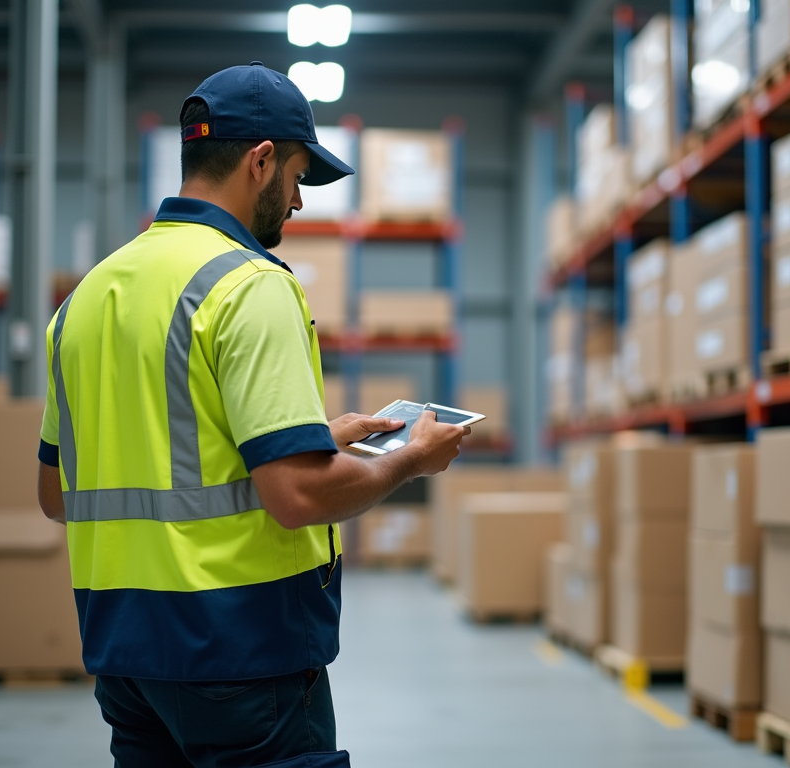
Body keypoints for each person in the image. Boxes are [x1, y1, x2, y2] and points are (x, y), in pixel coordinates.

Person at [36, 61, 469, 768]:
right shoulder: (248, 285)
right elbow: (296, 497)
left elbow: (60, 493)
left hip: (124, 657)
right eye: (298, 176)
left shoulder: (85, 299)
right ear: (261, 161)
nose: (298, 202)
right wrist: (411, 459)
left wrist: (309, 442)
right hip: (239, 655)